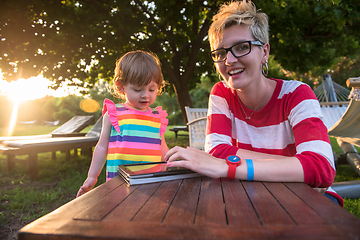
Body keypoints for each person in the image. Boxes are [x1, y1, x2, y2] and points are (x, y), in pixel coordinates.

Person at [164, 0, 343, 206]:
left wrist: (229, 167)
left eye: (241, 47)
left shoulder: (297, 94)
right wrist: (296, 166)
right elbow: (218, 152)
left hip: (307, 199)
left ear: (264, 52)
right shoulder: (221, 93)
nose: (229, 60)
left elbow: (321, 168)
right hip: (253, 193)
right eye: (221, 53)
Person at [77, 50, 169, 197]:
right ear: (121, 87)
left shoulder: (158, 117)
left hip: (152, 184)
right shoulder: (114, 114)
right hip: (120, 186)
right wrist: (92, 177)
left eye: (152, 89)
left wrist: (169, 168)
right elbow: (101, 147)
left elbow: (162, 147)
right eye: (138, 89)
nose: (145, 94)